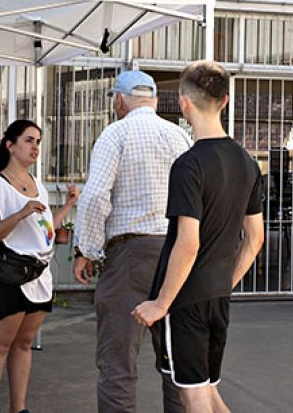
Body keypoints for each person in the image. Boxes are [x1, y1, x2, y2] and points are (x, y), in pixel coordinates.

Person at [131, 61, 265, 413]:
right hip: (218, 296)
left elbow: (188, 243)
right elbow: (255, 239)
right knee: (206, 393)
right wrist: (224, 282)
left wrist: (161, 304)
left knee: (193, 399)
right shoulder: (248, 163)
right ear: (224, 102)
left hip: (186, 301)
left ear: (184, 104)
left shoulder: (188, 165)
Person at [72, 70, 192, 413]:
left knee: (118, 363)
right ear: (153, 101)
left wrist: (87, 250)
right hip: (176, 253)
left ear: (119, 100)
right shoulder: (179, 137)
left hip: (129, 254)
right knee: (176, 362)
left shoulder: (115, 134)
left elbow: (95, 197)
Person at [0, 119, 78, 413]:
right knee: (1, 344)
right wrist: (20, 213)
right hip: (7, 274)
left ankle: (18, 408)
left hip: (38, 276)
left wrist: (67, 207)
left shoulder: (38, 186)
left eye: (38, 141)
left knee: (25, 342)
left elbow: (43, 231)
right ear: (10, 145)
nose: (35, 147)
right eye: (29, 140)